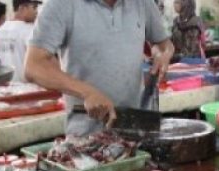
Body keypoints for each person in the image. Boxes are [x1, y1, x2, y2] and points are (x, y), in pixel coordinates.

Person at [24, 0, 174, 136]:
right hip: (86, 137)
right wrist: (87, 93)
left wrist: (162, 53)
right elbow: (34, 65)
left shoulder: (142, 3)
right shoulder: (61, 5)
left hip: (137, 130)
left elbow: (163, 44)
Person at [0, 0, 41, 82]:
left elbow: (0, 59)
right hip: (29, 88)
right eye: (34, 7)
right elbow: (39, 61)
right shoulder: (29, 29)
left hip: (10, 86)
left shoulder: (1, 30)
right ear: (22, 8)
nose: (36, 12)